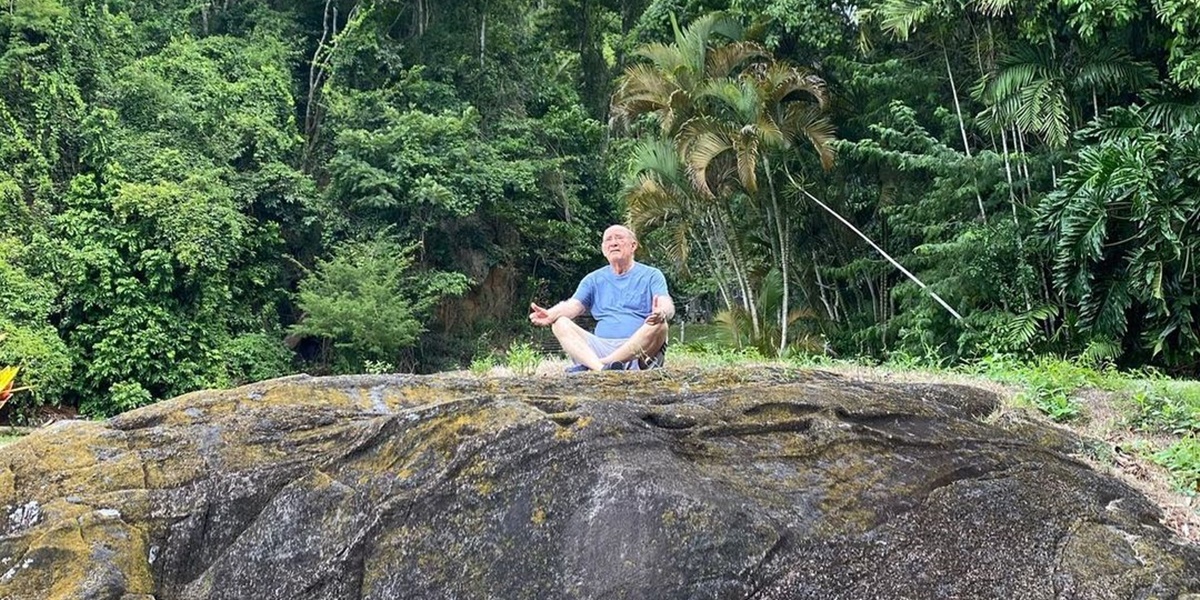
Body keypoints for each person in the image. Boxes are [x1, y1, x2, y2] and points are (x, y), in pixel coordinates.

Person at [529, 224, 674, 371]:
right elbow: (573, 306)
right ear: (604, 249)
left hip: (640, 350)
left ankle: (600, 363)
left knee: (661, 325)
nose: (614, 243)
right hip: (602, 345)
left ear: (633, 245)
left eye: (619, 238)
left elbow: (666, 303)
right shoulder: (593, 279)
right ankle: (601, 368)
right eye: (608, 240)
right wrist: (550, 314)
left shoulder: (652, 275)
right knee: (559, 323)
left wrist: (661, 311)